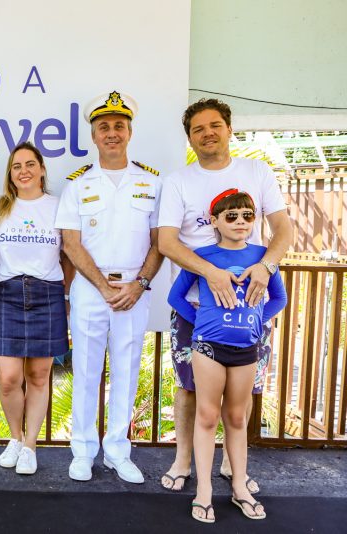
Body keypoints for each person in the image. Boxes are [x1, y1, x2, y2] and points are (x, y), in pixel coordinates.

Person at [158, 99, 293, 493]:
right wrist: (211, 273)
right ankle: (184, 459)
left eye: (215, 125)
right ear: (190, 137)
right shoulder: (178, 181)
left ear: (229, 129)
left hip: (249, 305)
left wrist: (266, 268)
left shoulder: (257, 171)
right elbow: (167, 241)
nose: (208, 133)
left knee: (245, 390)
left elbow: (284, 230)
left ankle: (235, 468)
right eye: (198, 129)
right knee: (188, 386)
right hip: (196, 306)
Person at [55, 91, 163, 484]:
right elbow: (71, 243)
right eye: (104, 127)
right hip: (89, 288)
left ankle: (118, 450)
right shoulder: (78, 184)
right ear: (94, 136)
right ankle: (82, 451)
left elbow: (159, 242)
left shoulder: (152, 182)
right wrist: (102, 286)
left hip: (135, 288)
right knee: (84, 370)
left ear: (130, 132)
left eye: (119, 126)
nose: (112, 133)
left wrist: (139, 284)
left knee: (127, 370)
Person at [168, 190, 286, 522]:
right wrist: (203, 323)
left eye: (248, 216)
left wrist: (256, 320)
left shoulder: (264, 257)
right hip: (207, 348)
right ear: (215, 220)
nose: (240, 222)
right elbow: (176, 297)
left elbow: (279, 298)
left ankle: (239, 487)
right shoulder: (202, 256)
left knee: (236, 418)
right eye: (231, 216)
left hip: (246, 348)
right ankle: (203, 491)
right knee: (206, 417)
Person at [0, 142, 68, 475]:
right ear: (10, 173)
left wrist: (64, 292)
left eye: (30, 164)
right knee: (8, 378)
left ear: (41, 170)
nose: (23, 170)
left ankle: (30, 445)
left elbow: (70, 253)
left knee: (38, 376)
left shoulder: (58, 206)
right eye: (16, 165)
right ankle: (15, 436)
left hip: (47, 292)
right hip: (7, 293)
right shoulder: (0, 208)